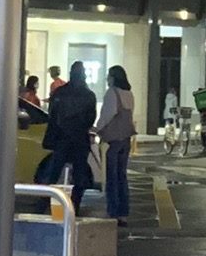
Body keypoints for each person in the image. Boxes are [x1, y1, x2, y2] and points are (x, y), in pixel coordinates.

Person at [42, 60, 98, 215]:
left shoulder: (60, 93)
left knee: (54, 172)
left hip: (62, 138)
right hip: (80, 139)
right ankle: (75, 205)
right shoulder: (88, 95)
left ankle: (47, 202)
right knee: (79, 174)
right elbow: (90, 118)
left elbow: (53, 115)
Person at [97, 63, 137, 225]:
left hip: (113, 140)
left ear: (113, 77)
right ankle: (123, 212)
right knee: (122, 175)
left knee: (111, 177)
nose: (107, 79)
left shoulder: (112, 93)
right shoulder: (129, 94)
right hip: (126, 139)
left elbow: (107, 115)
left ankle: (113, 210)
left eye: (108, 76)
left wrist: (97, 128)